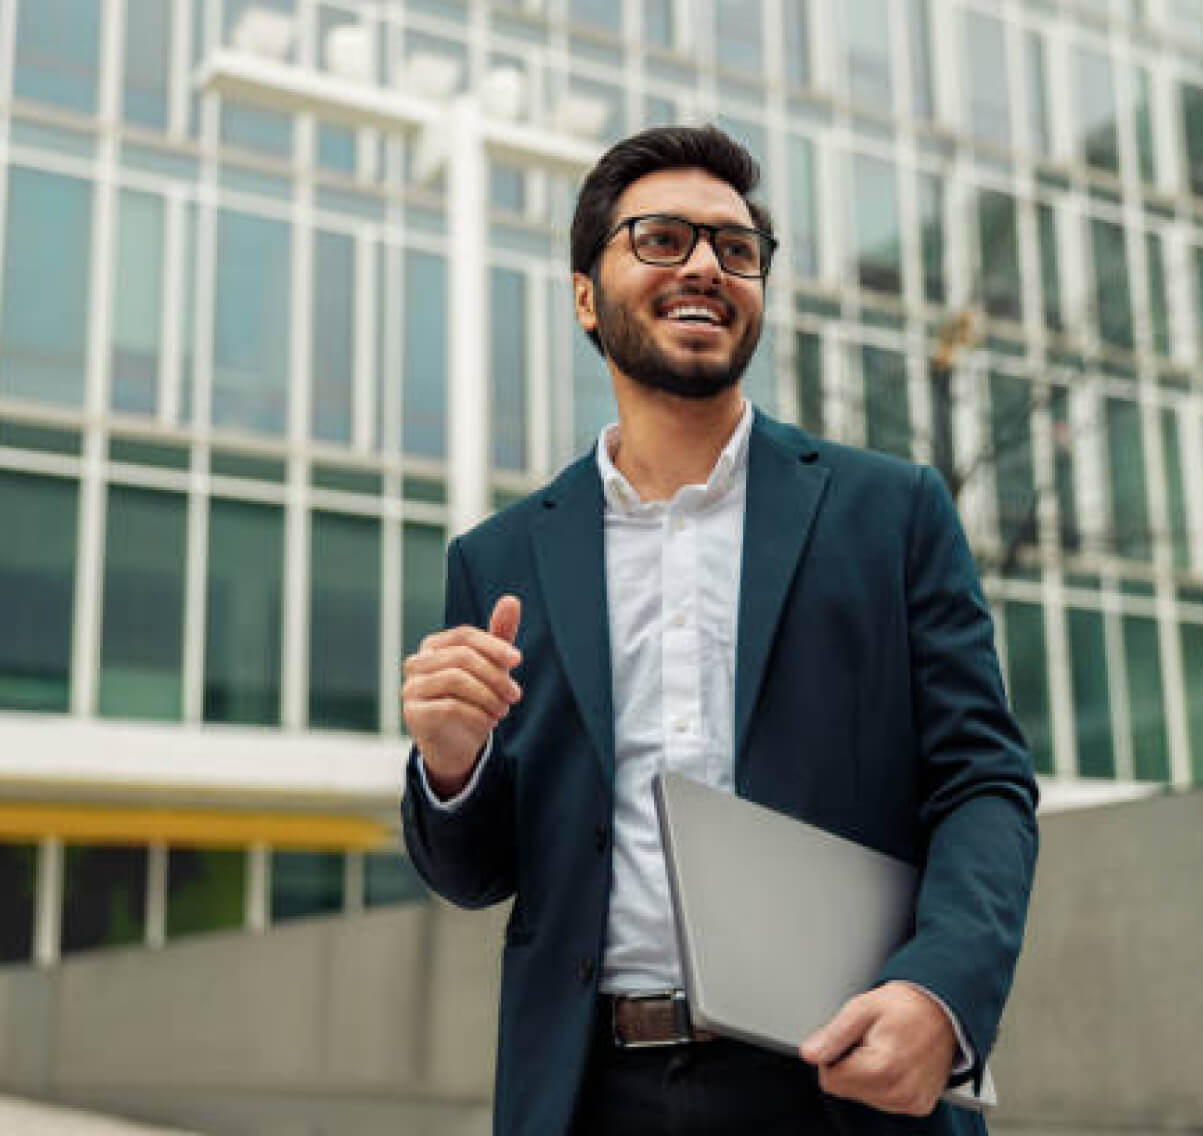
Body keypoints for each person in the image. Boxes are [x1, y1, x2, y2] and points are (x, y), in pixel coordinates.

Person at [400, 125, 1038, 1136]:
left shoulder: (894, 513)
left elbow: (983, 783)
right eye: (661, 238)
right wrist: (449, 765)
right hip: (585, 1094)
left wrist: (940, 987)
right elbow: (476, 872)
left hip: (841, 1084)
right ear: (584, 296)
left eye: (735, 249)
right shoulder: (499, 560)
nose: (704, 263)